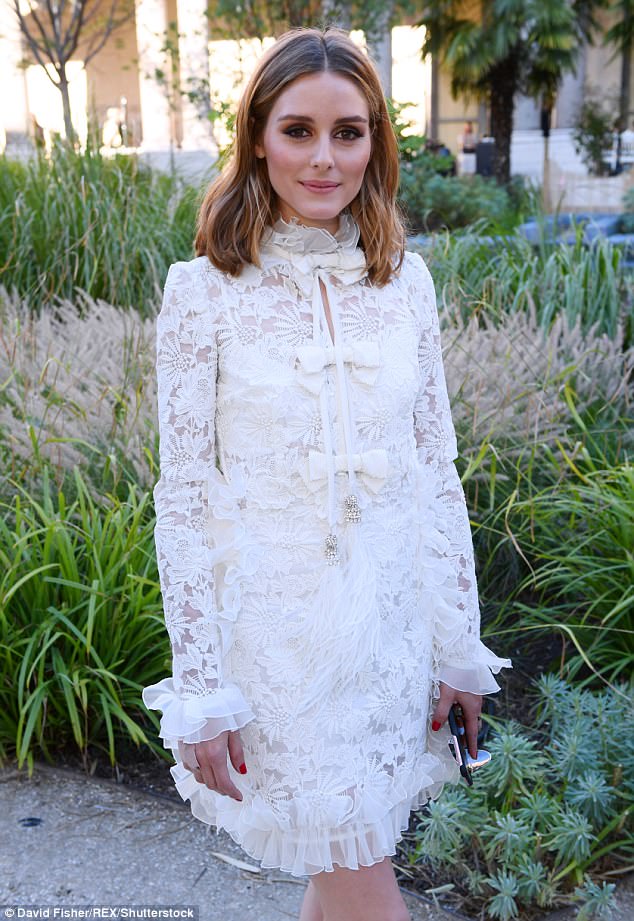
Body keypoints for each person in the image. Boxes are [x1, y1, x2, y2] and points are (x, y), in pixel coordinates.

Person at [141, 26, 511, 921]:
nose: (324, 159)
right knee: (364, 885)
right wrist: (201, 687)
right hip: (278, 649)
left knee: (342, 869)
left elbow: (435, 476)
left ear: (376, 141)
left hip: (389, 640)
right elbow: (182, 498)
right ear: (257, 137)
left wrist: (458, 646)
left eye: (348, 132)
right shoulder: (203, 293)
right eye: (298, 130)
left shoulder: (407, 284)